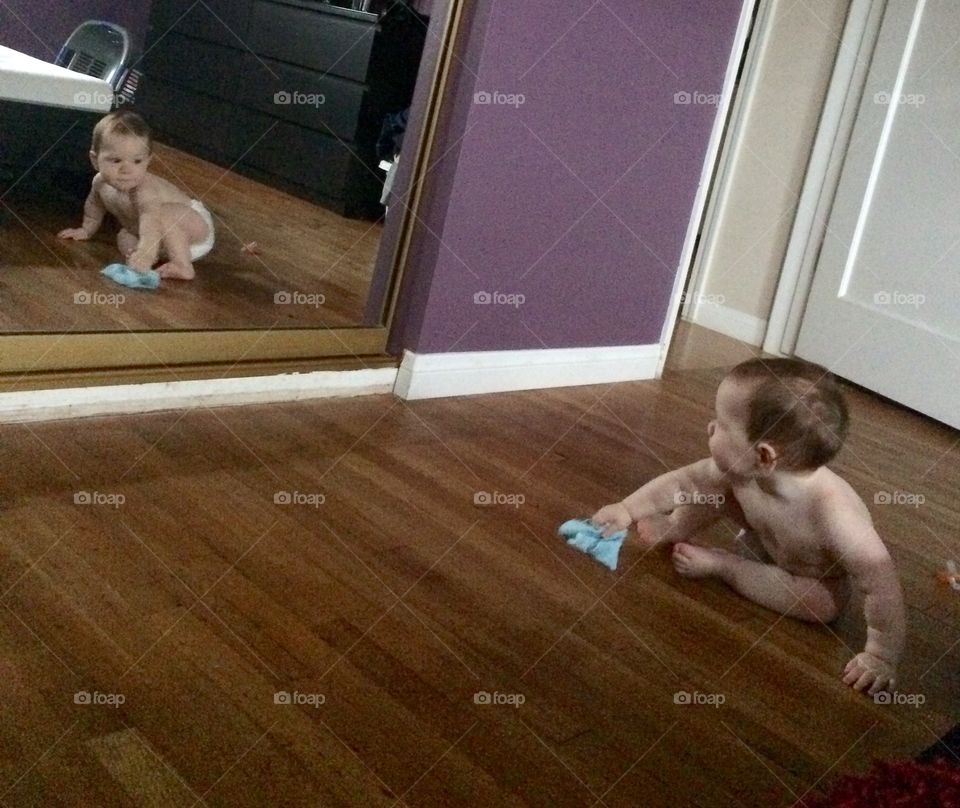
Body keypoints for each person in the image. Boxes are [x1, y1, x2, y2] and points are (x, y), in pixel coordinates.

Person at [592, 358, 905, 695]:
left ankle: (725, 566)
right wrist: (627, 509)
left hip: (810, 576)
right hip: (764, 539)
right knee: (715, 488)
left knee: (822, 605)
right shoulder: (744, 472)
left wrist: (881, 655)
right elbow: (684, 483)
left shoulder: (833, 514)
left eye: (722, 424)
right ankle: (675, 526)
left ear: (764, 456)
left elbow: (880, 582)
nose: (710, 427)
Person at [58, 110, 214, 280]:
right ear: (95, 160)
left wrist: (146, 252)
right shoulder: (99, 183)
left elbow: (151, 220)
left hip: (193, 228)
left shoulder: (144, 190)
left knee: (162, 214)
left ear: (148, 161)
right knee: (124, 237)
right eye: (116, 160)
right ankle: (144, 260)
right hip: (156, 240)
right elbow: (94, 205)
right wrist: (86, 230)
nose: (126, 169)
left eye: (137, 161)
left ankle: (182, 266)